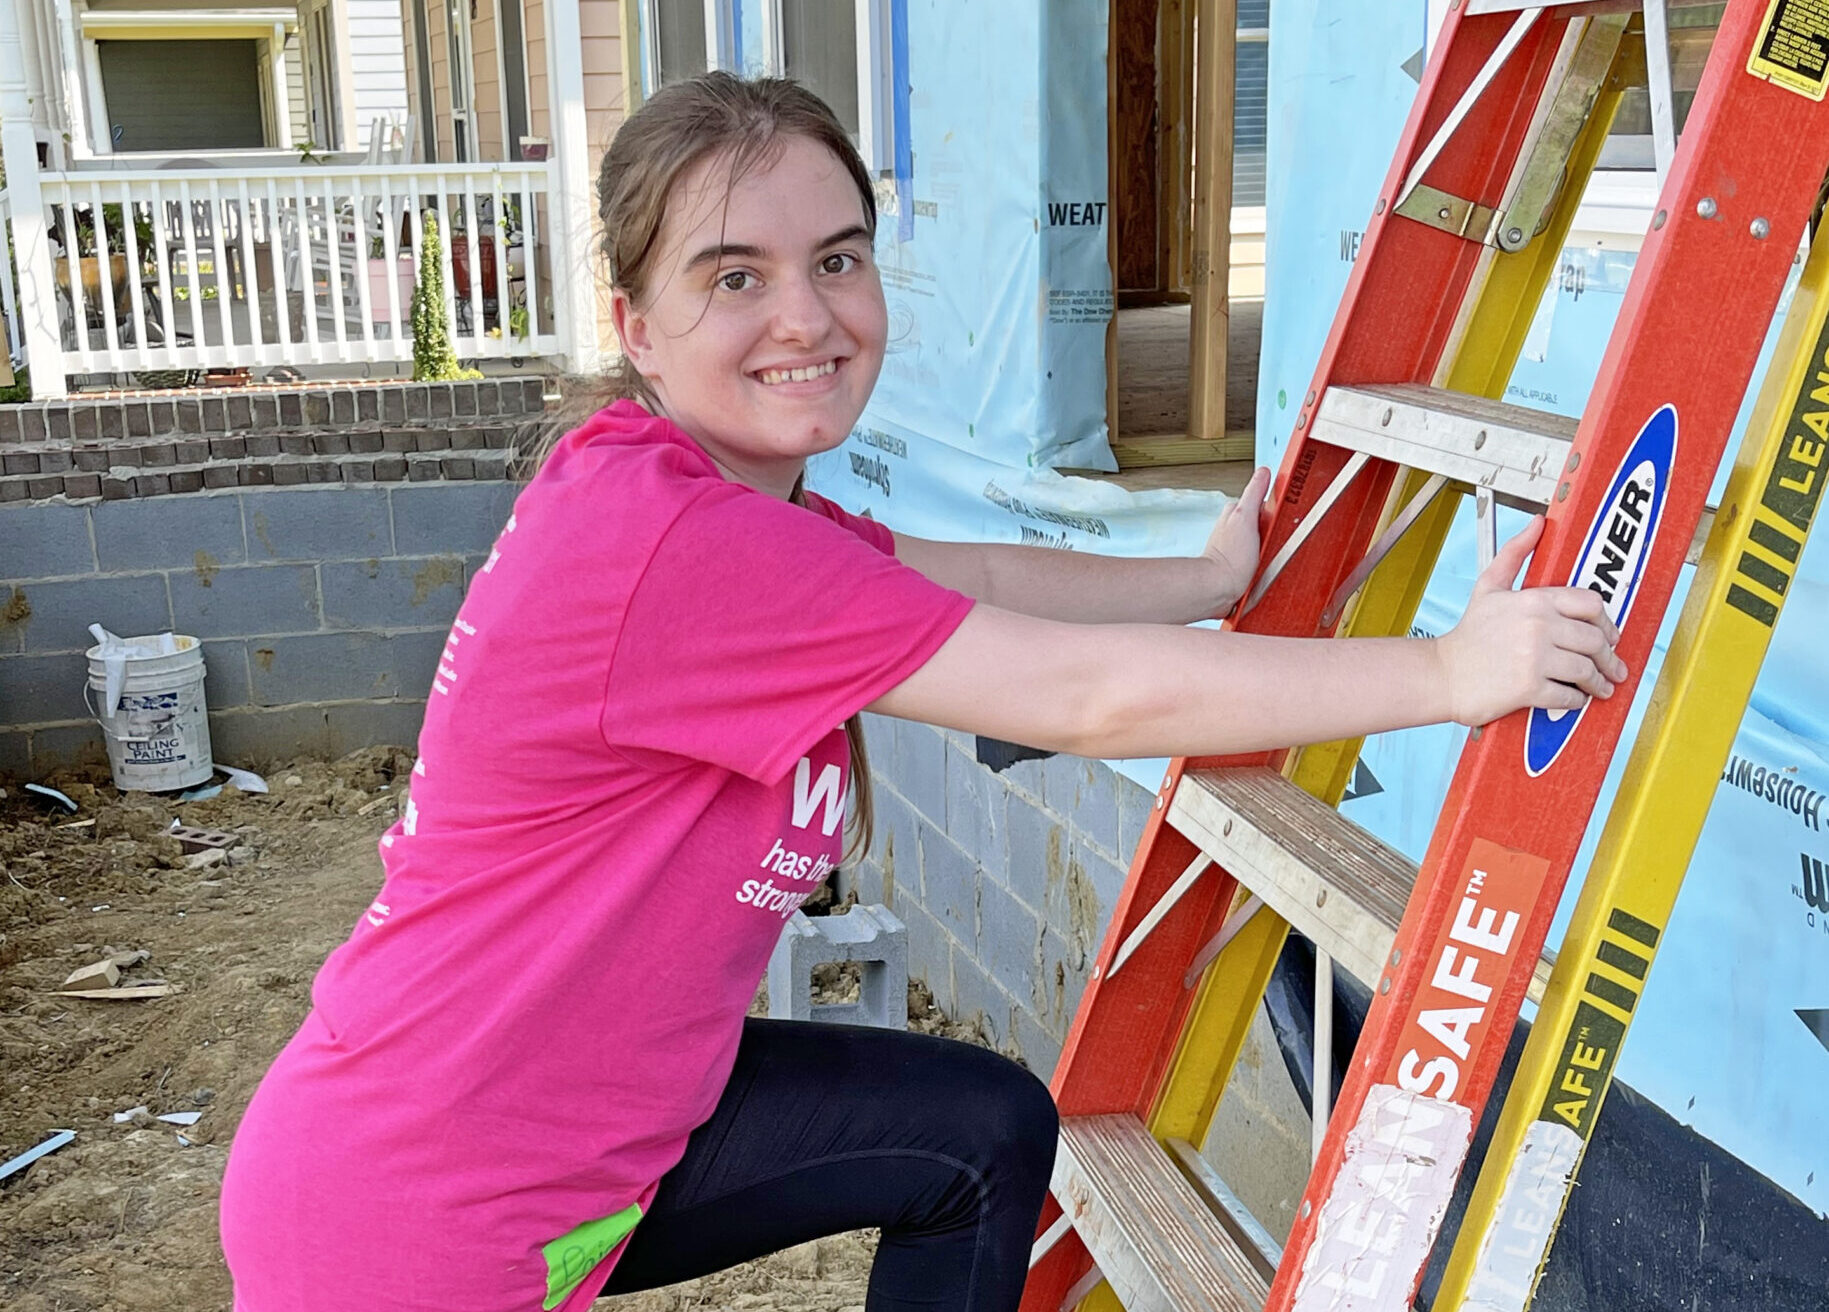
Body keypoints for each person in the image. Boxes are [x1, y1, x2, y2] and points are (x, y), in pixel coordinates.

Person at [218, 72, 1625, 1312]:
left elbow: (972, 580)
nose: (807, 317)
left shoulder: (716, 506)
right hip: (422, 1204)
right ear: (634, 324)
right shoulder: (678, 541)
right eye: (732, 276)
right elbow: (1083, 699)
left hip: (594, 1130)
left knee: (977, 1135)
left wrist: (1193, 580)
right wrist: (1445, 672)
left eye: (836, 259)